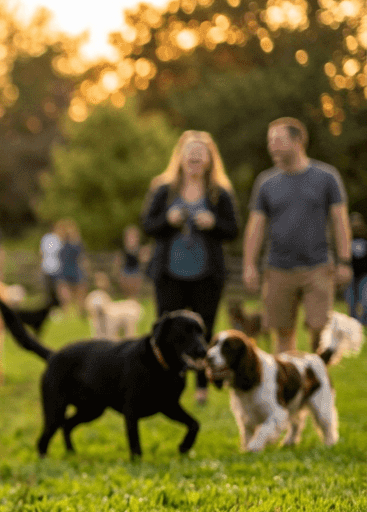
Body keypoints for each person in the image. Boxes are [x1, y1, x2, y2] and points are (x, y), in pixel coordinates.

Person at [142, 130, 240, 405]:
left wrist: (214, 223)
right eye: (190, 153)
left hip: (207, 275)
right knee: (166, 330)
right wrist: (167, 219)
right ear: (180, 157)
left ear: (210, 159)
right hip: (169, 273)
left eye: (201, 153)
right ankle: (166, 385)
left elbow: (233, 229)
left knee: (203, 331)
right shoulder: (163, 190)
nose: (195, 158)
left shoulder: (220, 193)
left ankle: (201, 387)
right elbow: (148, 225)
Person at [243, 117, 353, 353]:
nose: (272, 146)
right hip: (277, 268)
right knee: (282, 333)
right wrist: (249, 265)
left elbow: (340, 220)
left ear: (298, 140)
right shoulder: (266, 183)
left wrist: (344, 260)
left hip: (318, 266)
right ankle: (287, 385)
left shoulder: (326, 177)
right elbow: (255, 227)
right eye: (270, 140)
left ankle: (317, 386)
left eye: (278, 140)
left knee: (319, 331)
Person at [54, 219, 87, 317]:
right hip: (63, 271)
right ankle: (66, 314)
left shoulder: (76, 243)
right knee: (64, 296)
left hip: (75, 270)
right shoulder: (59, 242)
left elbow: (81, 256)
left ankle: (81, 314)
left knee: (80, 296)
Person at [116, 224, 147, 299]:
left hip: (136, 272)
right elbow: (119, 261)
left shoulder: (139, 249)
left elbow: (143, 260)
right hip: (125, 272)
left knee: (135, 293)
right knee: (127, 293)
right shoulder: (124, 249)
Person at [347, 212, 367, 324]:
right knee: (351, 302)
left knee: (365, 301)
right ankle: (353, 324)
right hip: (351, 275)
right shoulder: (346, 239)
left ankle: (364, 323)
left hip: (364, 276)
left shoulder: (365, 238)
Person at [39, 225, 63, 308]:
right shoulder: (59, 239)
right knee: (57, 290)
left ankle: (51, 307)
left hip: (46, 266)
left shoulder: (46, 238)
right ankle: (57, 307)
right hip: (57, 267)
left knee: (49, 290)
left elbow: (41, 252)